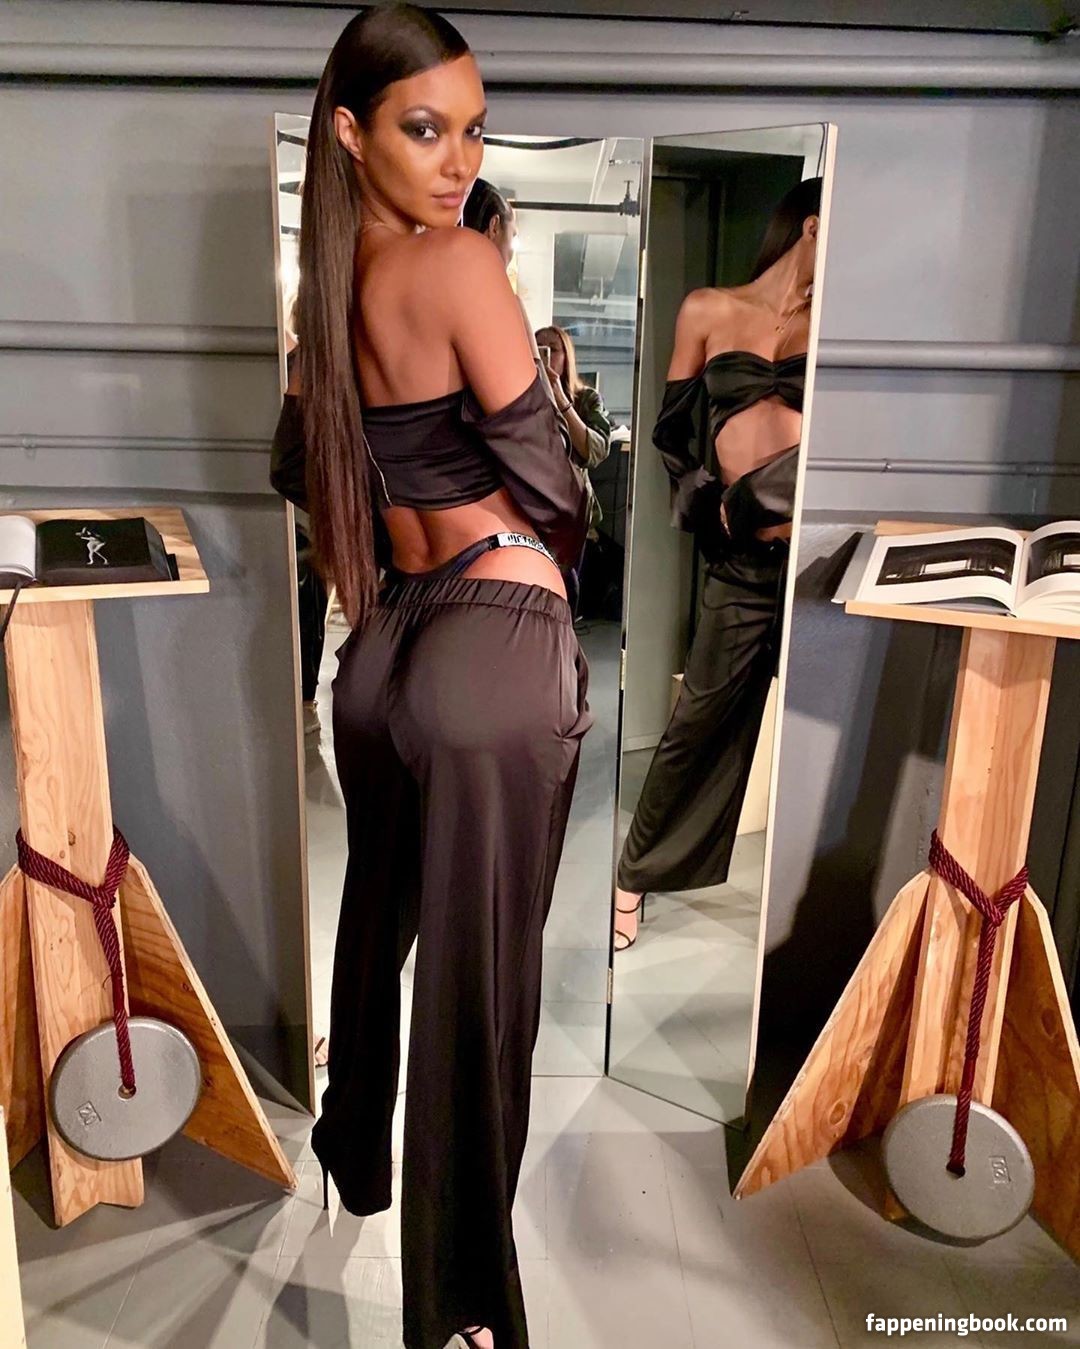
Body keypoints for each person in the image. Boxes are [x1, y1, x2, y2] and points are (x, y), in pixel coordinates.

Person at [269, 7, 592, 1347]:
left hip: (384, 648)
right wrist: (543, 544)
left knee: (377, 919)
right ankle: (462, 1305)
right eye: (423, 128)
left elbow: (297, 469)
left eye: (472, 131)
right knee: (480, 987)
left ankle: (353, 1149)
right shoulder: (457, 264)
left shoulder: (321, 297)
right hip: (489, 630)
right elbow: (552, 481)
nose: (459, 159)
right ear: (351, 133)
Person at [613, 177, 820, 951]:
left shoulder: (837, 324)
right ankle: (634, 875)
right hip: (741, 564)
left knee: (819, 732)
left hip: (817, 565)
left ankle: (808, 913)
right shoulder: (708, 308)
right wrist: (715, 509)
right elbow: (671, 436)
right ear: (811, 226)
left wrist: (755, 495)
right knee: (695, 721)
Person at [534, 323, 612, 614]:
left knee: (567, 585)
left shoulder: (587, 399)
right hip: (533, 504)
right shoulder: (525, 400)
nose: (545, 356)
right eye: (537, 349)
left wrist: (560, 398)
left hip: (572, 509)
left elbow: (595, 450)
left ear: (567, 357)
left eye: (552, 350)